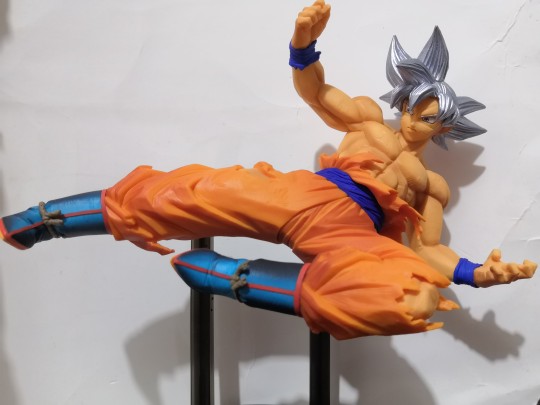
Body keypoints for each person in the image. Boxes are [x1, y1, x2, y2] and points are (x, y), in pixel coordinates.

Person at [0, 1, 535, 340]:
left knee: (411, 297)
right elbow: (317, 93)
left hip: (355, 232)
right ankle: (46, 220)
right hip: (309, 194)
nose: (422, 123)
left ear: (445, 129)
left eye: (436, 120)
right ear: (406, 99)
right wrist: (302, 46)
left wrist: (474, 274)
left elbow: (426, 250)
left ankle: (236, 278)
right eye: (420, 109)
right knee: (185, 193)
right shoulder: (368, 122)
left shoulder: (431, 186)